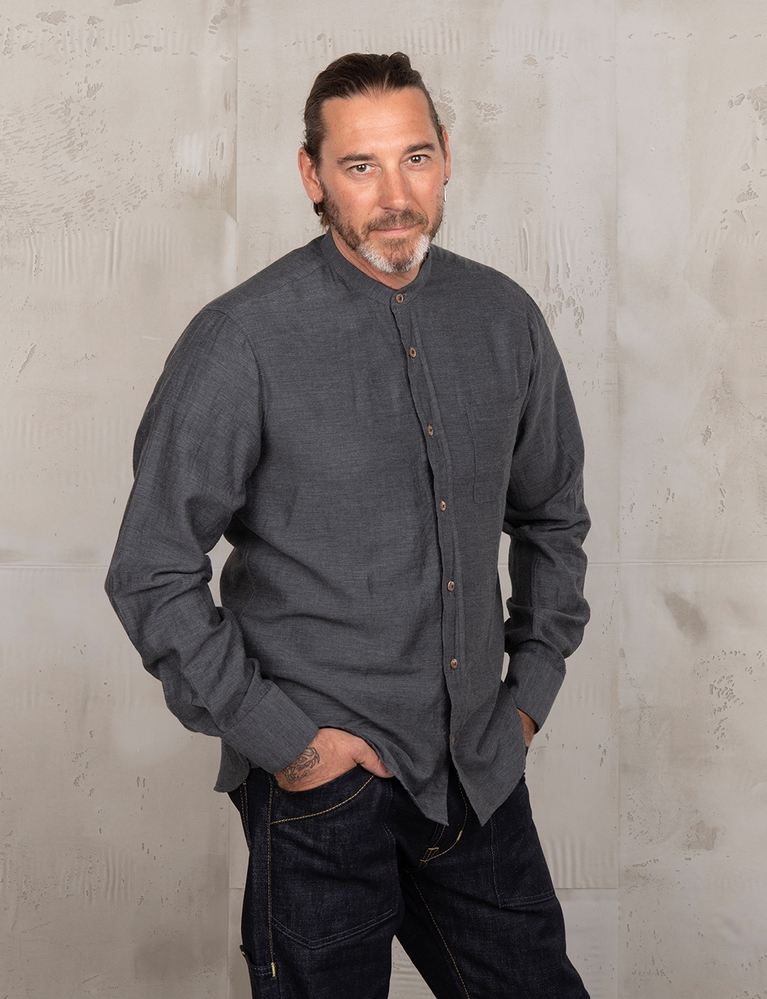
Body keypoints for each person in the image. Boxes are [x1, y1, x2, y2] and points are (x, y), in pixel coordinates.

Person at [106, 51, 591, 999]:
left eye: (415, 158)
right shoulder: (242, 338)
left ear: (447, 155)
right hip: (323, 793)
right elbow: (152, 567)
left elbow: (553, 517)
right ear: (312, 174)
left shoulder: (506, 319)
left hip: (478, 773)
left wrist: (527, 698)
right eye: (360, 166)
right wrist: (287, 744)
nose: (395, 195)